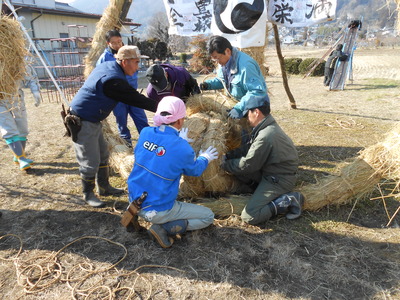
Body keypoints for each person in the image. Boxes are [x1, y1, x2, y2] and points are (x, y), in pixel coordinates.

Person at [68, 45, 158, 208]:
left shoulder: (110, 68)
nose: (138, 67)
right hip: (83, 120)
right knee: (90, 160)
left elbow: (131, 95)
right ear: (124, 62)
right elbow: (134, 99)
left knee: (103, 154)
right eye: (136, 62)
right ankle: (88, 193)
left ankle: (104, 187)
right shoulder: (113, 80)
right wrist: (163, 108)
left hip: (94, 119)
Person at [127, 96, 217, 248]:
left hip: (135, 199)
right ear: (181, 121)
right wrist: (205, 158)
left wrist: (177, 141)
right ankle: (162, 228)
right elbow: (194, 170)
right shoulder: (183, 149)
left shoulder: (145, 133)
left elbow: (155, 153)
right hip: (159, 208)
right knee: (208, 216)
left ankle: (134, 214)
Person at [221, 94, 304, 225]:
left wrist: (224, 164)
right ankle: (257, 188)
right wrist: (229, 156)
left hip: (279, 179)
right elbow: (250, 154)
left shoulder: (266, 134)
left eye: (248, 114)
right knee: (238, 171)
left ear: (256, 112)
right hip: (271, 171)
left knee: (250, 216)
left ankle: (289, 200)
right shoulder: (266, 128)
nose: (247, 119)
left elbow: (247, 165)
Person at [96, 29, 149, 147]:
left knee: (141, 120)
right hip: (118, 98)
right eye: (114, 43)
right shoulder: (105, 58)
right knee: (122, 123)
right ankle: (127, 147)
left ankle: (148, 145)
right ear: (108, 43)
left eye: (119, 41)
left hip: (132, 93)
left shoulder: (129, 52)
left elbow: (135, 68)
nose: (117, 45)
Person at [199, 35, 267, 119]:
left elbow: (257, 91)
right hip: (238, 107)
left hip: (254, 111)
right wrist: (208, 85)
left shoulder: (246, 66)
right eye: (214, 59)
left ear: (227, 51)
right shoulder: (223, 63)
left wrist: (239, 108)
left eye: (218, 58)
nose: (217, 62)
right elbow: (223, 81)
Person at [0, 64, 41, 171]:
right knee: (9, 128)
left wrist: (35, 91)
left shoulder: (16, 58)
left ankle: (17, 155)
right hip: (1, 100)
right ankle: (22, 158)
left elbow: (30, 77)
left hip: (17, 98)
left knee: (23, 128)